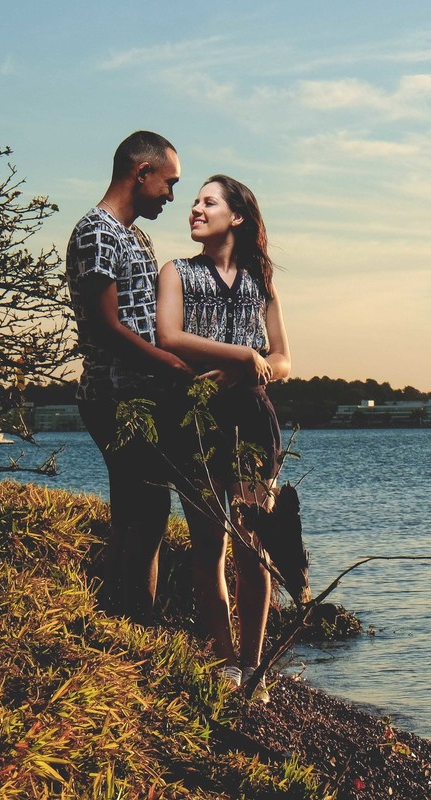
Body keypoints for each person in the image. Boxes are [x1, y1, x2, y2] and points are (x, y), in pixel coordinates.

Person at [155, 175, 290, 700]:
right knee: (209, 543)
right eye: (193, 201)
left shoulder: (262, 281)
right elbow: (169, 337)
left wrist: (250, 371)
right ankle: (223, 658)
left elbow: (282, 359)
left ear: (236, 216)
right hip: (194, 419)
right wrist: (241, 356)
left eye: (207, 202)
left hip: (254, 420)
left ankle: (254, 667)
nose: (194, 208)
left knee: (254, 545)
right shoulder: (178, 272)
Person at [66, 131, 191, 623]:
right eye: (169, 182)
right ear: (142, 173)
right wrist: (172, 366)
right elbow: (106, 326)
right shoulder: (98, 231)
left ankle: (120, 618)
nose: (171, 195)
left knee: (140, 512)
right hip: (114, 397)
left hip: (139, 397)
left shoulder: (134, 233)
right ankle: (135, 622)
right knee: (146, 511)